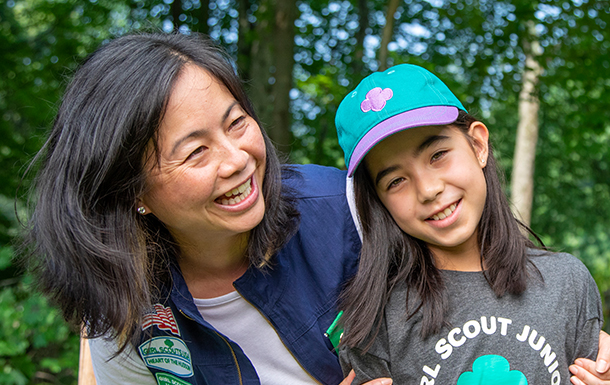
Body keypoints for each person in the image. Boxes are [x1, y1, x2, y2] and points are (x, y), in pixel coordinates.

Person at [21, 33, 609, 385]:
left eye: (237, 124)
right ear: (135, 195)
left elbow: (503, 287)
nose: (239, 160)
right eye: (196, 151)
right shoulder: (128, 319)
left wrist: (589, 345)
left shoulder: (345, 208)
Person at [333, 63, 607, 385]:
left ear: (477, 144)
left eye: (437, 155)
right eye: (396, 181)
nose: (428, 189)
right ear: (379, 202)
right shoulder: (373, 319)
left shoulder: (567, 283)